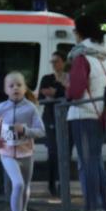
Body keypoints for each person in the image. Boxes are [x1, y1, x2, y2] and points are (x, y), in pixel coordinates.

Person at [66, 15, 106, 211]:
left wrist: (67, 92)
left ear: (79, 33)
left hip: (82, 114)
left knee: (87, 163)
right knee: (95, 162)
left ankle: (91, 209)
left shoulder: (81, 57)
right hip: (101, 114)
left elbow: (75, 90)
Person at [0, 71, 45, 211]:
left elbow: (41, 131)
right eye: (11, 86)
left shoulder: (30, 108)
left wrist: (25, 130)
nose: (15, 88)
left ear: (25, 88)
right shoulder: (1, 108)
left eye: (19, 85)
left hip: (26, 153)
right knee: (18, 184)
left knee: (25, 186)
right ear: (5, 90)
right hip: (6, 153)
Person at [38, 51, 68, 196]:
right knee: (53, 151)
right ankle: (51, 184)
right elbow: (41, 96)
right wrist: (59, 91)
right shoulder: (47, 78)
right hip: (50, 118)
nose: (54, 64)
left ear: (63, 62)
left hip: (66, 118)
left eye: (57, 61)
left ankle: (63, 184)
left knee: (65, 152)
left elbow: (69, 95)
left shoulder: (68, 77)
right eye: (52, 62)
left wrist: (55, 92)